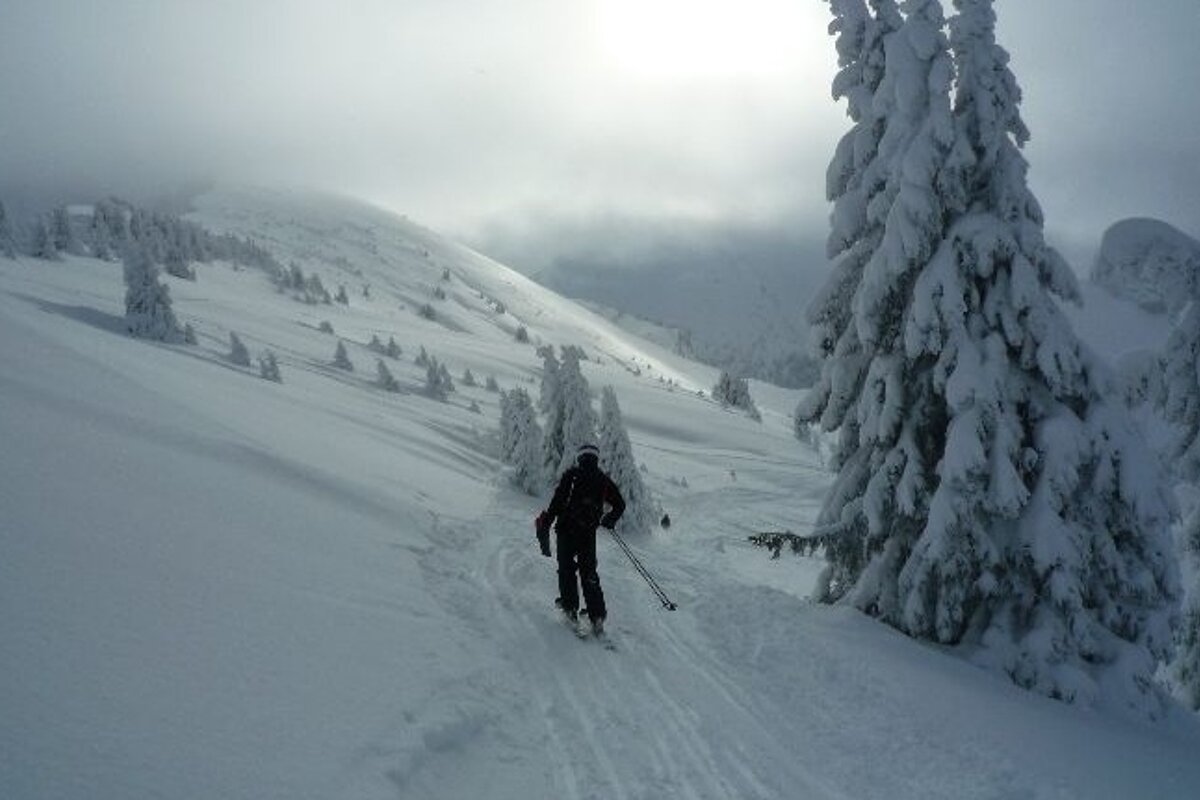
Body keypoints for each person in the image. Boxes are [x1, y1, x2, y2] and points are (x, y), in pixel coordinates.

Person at [535, 443, 625, 634]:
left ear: (580, 457)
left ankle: (570, 610)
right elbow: (620, 504)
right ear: (595, 458)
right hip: (588, 534)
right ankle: (597, 617)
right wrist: (608, 520)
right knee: (589, 574)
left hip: (566, 531)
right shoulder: (603, 480)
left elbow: (557, 504)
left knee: (566, 570)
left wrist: (547, 522)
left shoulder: (571, 476)